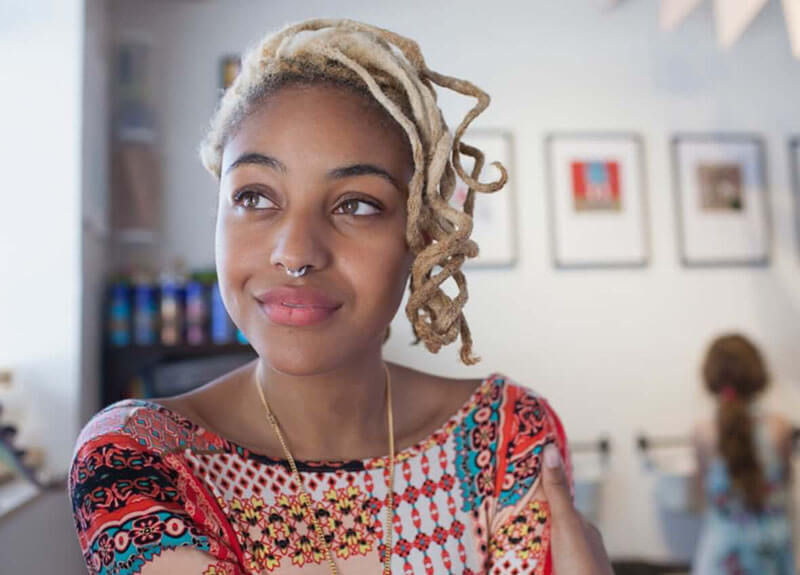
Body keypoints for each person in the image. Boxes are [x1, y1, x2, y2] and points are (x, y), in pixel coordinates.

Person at [68, 19, 611, 575]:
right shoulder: (136, 459)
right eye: (255, 197)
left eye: (356, 204)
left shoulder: (505, 435)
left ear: (421, 234)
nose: (296, 252)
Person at [691, 333, 795, 575]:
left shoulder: (704, 433)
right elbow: (785, 484)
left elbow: (703, 494)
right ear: (757, 374)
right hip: (771, 553)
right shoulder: (780, 427)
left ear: (711, 378)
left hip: (722, 553)